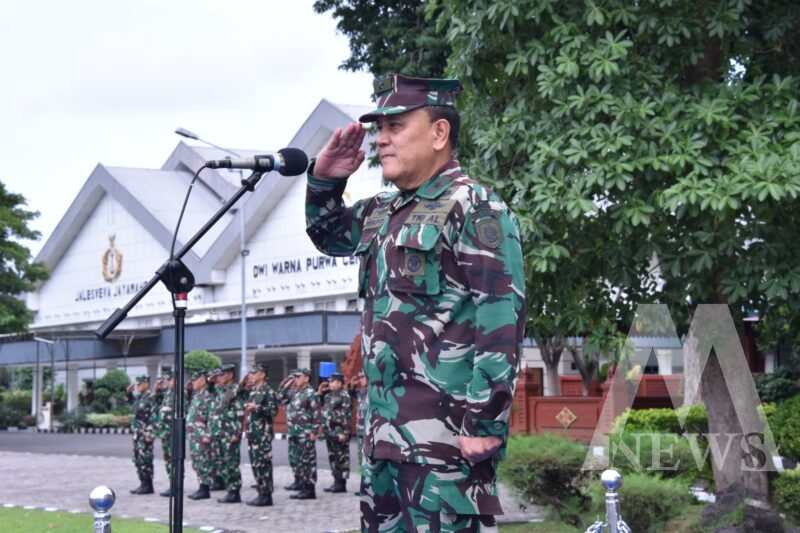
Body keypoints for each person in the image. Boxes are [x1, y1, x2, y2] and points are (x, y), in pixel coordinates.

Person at [305, 73, 526, 531]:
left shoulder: (476, 208)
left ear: (439, 133)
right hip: (385, 439)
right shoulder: (383, 211)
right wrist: (325, 181)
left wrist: (484, 425)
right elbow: (328, 235)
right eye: (378, 129)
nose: (381, 140)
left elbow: (501, 322)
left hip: (446, 445)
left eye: (396, 127)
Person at [243, 362, 280, 506]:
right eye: (251, 373)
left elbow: (273, 411)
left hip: (263, 434)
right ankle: (260, 492)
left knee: (263, 464)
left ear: (262, 375)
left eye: (254, 373)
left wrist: (256, 407)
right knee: (255, 464)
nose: (251, 376)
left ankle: (266, 495)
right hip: (253, 434)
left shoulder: (268, 391)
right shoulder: (254, 391)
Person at [282, 367, 321, 500]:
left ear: (306, 378)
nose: (296, 379)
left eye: (299, 377)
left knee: (308, 461)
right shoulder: (294, 392)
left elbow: (316, 414)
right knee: (298, 460)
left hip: (306, 432)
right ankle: (302, 485)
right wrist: (287, 385)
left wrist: (314, 431)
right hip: (294, 432)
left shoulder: (311, 393)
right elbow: (280, 398)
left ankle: (309, 489)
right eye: (295, 377)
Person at [208, 363, 245, 504]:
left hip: (230, 433)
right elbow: (210, 388)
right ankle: (229, 489)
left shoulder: (235, 389)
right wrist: (212, 379)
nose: (219, 377)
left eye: (222, 375)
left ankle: (234, 491)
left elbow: (239, 413)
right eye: (219, 375)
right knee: (222, 462)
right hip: (219, 432)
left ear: (230, 375)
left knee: (231, 462)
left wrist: (237, 432)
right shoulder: (219, 389)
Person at [318, 372, 352, 493]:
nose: (330, 384)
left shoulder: (345, 396)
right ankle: (336, 480)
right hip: (329, 431)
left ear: (339, 383)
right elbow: (324, 411)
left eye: (333, 382)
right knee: (333, 457)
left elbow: (347, 416)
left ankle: (341, 483)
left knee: (341, 457)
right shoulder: (328, 396)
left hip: (339, 431)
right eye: (330, 382)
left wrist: (345, 432)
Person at [187, 369, 214, 501]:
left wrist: (208, 435)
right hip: (194, 436)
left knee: (204, 461)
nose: (192, 382)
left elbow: (211, 418)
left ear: (203, 380)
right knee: (197, 462)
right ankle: (201, 486)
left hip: (202, 436)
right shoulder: (197, 396)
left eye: (195, 379)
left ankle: (205, 488)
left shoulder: (207, 397)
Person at [128, 375, 156, 495]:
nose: (137, 387)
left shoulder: (151, 397)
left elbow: (154, 416)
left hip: (145, 434)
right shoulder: (140, 397)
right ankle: (142, 483)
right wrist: (128, 394)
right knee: (138, 459)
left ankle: (148, 485)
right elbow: (134, 407)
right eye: (137, 385)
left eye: (139, 384)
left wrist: (149, 433)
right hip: (137, 434)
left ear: (146, 383)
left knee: (146, 458)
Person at [153, 369, 176, 497]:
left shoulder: (179, 394)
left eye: (169, 379)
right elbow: (155, 403)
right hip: (165, 433)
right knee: (168, 459)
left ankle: (176, 485)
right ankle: (172, 483)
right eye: (166, 380)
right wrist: (157, 390)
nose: (166, 382)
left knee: (174, 459)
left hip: (173, 433)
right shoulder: (168, 394)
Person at [349, 371, 368, 497]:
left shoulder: (373, 393)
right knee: (361, 460)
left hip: (368, 433)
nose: (360, 379)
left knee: (368, 461)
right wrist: (352, 385)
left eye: (363, 377)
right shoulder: (361, 393)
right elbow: (351, 393)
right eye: (359, 377)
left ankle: (368, 488)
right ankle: (363, 486)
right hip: (360, 432)